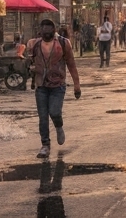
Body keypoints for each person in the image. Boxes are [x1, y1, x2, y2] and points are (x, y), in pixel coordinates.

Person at [26, 18, 81, 159]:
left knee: (55, 112)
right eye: (43, 30)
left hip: (58, 85)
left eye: (49, 30)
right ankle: (45, 145)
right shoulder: (34, 44)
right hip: (41, 86)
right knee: (43, 117)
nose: (46, 33)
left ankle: (58, 126)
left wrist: (77, 85)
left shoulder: (63, 43)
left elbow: (71, 64)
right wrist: (31, 67)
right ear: (40, 31)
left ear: (54, 31)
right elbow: (29, 63)